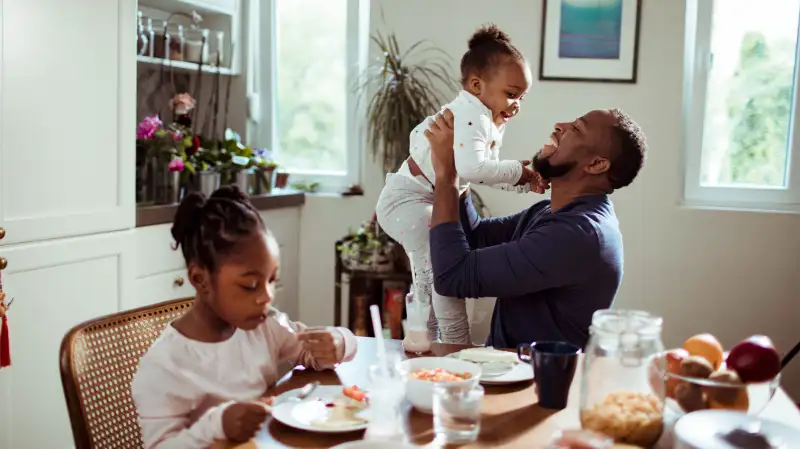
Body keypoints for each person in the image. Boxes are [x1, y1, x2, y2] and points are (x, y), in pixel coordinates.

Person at [132, 186, 358, 448]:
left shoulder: (267, 326)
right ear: (200, 279)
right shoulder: (164, 366)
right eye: (250, 285)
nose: (267, 296)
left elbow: (315, 352)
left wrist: (338, 342)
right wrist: (218, 425)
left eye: (272, 281)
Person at [424, 108, 647, 349]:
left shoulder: (576, 235)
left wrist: (447, 175)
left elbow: (451, 277)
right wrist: (466, 168)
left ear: (596, 164)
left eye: (576, 128)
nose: (560, 124)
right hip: (507, 370)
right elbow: (476, 237)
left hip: (539, 383)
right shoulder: (551, 213)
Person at [376, 24, 541, 344]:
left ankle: (430, 339)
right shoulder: (471, 115)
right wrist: (517, 173)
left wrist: (522, 182)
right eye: (511, 93)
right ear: (477, 85)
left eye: (522, 96)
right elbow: (472, 167)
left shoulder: (489, 118)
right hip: (407, 201)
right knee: (440, 272)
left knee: (440, 268)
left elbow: (480, 173)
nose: (517, 103)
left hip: (427, 200)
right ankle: (448, 340)